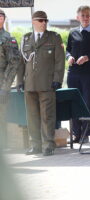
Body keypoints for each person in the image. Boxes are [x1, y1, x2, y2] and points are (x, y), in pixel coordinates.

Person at [17, 11, 65, 156]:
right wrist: (20, 81)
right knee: (32, 116)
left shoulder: (54, 37)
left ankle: (48, 144)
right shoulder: (26, 39)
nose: (44, 23)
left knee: (47, 116)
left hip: (47, 83)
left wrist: (57, 79)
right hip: (30, 84)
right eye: (41, 20)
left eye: (46, 20)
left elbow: (59, 61)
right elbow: (21, 63)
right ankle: (35, 145)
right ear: (33, 21)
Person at [66, 6, 90, 143]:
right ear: (78, 17)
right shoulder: (73, 32)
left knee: (88, 103)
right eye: (82, 15)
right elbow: (67, 50)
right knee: (74, 102)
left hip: (89, 74)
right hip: (73, 73)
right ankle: (76, 133)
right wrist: (69, 57)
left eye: (88, 15)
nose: (85, 17)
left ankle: (86, 133)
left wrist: (88, 57)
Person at [0, 9, 22, 148]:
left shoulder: (8, 39)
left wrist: (5, 87)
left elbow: (13, 64)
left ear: (4, 19)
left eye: (1, 16)